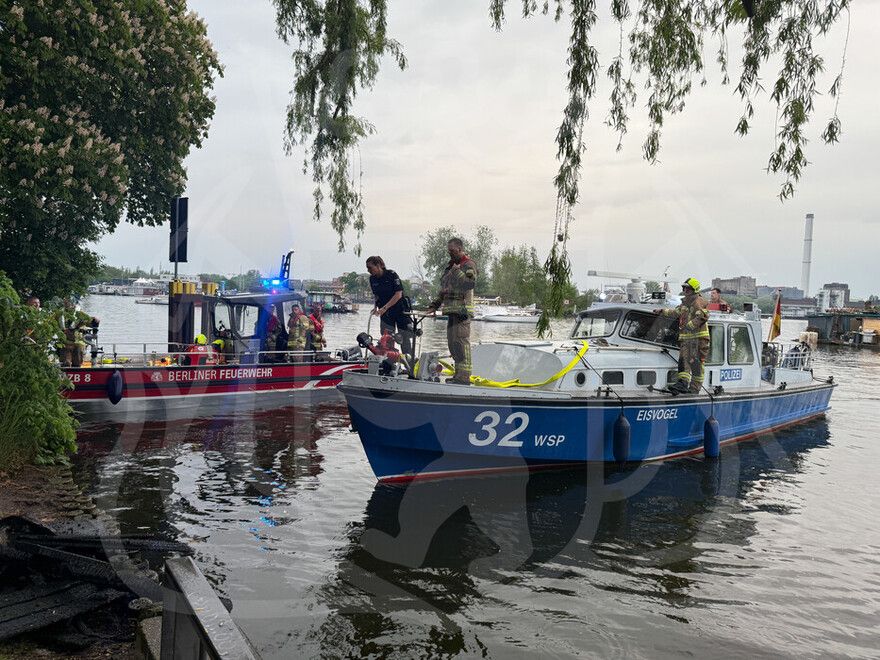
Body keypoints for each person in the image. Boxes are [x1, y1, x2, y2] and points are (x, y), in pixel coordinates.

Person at [426, 238, 477, 385]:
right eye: (449, 251)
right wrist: (434, 305)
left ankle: (464, 378)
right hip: (451, 311)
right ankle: (457, 375)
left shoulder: (468, 264)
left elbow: (470, 283)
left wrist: (457, 272)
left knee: (461, 344)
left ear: (460, 249)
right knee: (453, 344)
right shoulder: (450, 267)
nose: (450, 254)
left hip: (462, 311)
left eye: (453, 251)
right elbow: (444, 290)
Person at [655, 277, 709, 394]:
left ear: (694, 289)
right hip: (687, 339)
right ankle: (682, 384)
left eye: (688, 288)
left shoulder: (698, 301)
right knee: (683, 361)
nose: (685, 290)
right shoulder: (685, 302)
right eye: (684, 288)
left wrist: (691, 325)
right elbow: (676, 312)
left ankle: (694, 389)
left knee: (696, 363)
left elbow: (703, 315)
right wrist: (662, 311)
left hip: (698, 339)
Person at [366, 255, 414, 358]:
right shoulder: (372, 279)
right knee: (386, 339)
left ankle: (410, 365)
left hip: (400, 310)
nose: (368, 270)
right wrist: (375, 307)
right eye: (367, 268)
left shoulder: (391, 275)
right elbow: (376, 295)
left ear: (378, 265)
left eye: (370, 267)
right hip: (386, 314)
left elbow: (398, 294)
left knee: (404, 338)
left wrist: (384, 308)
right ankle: (389, 365)